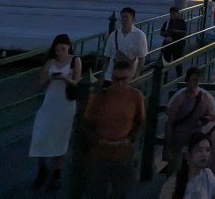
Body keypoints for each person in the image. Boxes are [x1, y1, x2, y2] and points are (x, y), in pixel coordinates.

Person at [84, 60, 146, 198]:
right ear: (111, 78)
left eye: (124, 79)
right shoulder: (101, 96)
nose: (120, 83)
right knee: (96, 190)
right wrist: (96, 140)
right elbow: (87, 123)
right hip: (99, 151)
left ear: (130, 77)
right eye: (116, 79)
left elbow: (140, 121)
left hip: (123, 151)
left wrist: (130, 138)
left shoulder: (136, 96)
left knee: (121, 190)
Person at [29, 33, 82, 191]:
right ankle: (42, 168)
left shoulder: (75, 60)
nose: (60, 52)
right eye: (58, 50)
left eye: (63, 49)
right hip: (50, 102)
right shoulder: (50, 62)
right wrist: (51, 78)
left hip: (65, 103)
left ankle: (56, 172)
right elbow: (42, 81)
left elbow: (76, 82)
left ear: (69, 47)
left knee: (60, 136)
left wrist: (65, 78)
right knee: (41, 133)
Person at [165, 68, 215, 175]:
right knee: (176, 169)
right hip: (179, 139)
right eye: (193, 79)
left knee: (194, 169)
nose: (196, 83)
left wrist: (204, 120)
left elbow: (212, 116)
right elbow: (170, 121)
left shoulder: (205, 97)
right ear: (187, 81)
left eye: (198, 79)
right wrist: (168, 144)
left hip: (196, 140)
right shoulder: (179, 98)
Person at [160, 131, 215, 199]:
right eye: (199, 150)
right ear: (189, 154)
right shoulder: (174, 182)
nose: (204, 154)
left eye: (207, 150)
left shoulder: (208, 175)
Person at [102, 6, 149, 86]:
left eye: (126, 17)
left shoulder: (139, 35)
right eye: (122, 17)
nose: (124, 20)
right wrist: (103, 74)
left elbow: (141, 58)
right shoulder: (114, 35)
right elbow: (107, 57)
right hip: (111, 75)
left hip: (128, 76)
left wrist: (136, 75)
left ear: (133, 19)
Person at [160, 6, 189, 78]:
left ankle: (179, 77)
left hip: (178, 45)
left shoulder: (181, 22)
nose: (172, 15)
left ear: (177, 14)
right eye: (171, 13)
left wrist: (175, 31)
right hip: (168, 45)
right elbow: (161, 32)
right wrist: (166, 34)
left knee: (178, 61)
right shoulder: (167, 22)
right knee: (166, 61)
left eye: (174, 13)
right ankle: (164, 77)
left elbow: (184, 32)